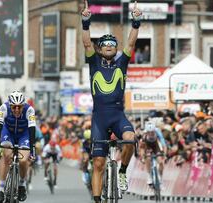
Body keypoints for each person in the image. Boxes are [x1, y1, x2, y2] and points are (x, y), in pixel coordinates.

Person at [81, 1, 142, 202]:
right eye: (105, 44)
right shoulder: (93, 62)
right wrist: (85, 23)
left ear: (115, 49)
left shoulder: (121, 63)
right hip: (99, 117)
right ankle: (97, 199)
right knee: (98, 162)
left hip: (117, 114)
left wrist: (136, 22)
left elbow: (131, 43)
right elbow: (87, 43)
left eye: (112, 44)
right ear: (101, 49)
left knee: (130, 139)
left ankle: (122, 171)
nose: (108, 47)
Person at [0, 91, 36, 203]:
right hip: (8, 132)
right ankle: (1, 189)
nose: (17, 109)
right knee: (6, 156)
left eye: (19, 107)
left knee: (23, 161)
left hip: (24, 134)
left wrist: (32, 150)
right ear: (10, 105)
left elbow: (32, 130)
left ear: (23, 105)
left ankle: (22, 185)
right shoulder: (3, 108)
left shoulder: (30, 110)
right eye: (14, 107)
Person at [139, 121, 167, 185]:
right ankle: (149, 176)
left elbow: (164, 145)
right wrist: (143, 157)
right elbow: (141, 148)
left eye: (152, 132)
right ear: (147, 131)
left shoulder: (158, 132)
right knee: (147, 158)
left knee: (161, 162)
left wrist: (164, 155)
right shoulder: (144, 134)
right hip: (147, 146)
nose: (151, 133)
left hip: (156, 146)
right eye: (149, 132)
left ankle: (160, 177)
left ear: (154, 130)